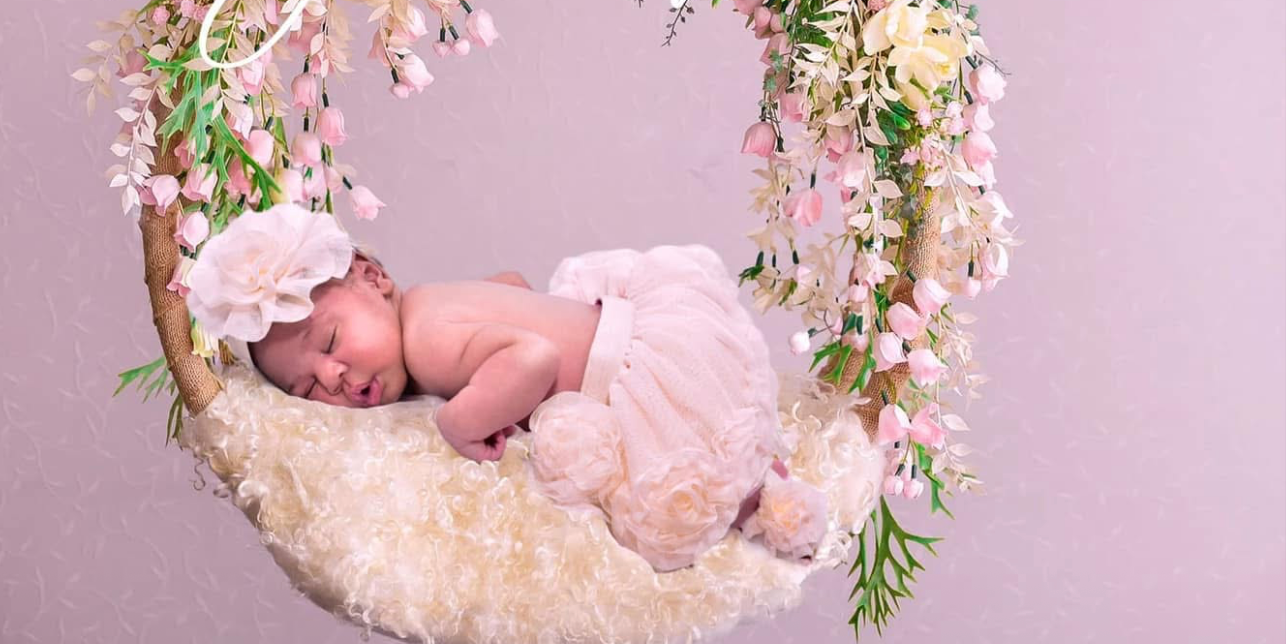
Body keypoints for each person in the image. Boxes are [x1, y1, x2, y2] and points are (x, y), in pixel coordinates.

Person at [188, 207, 829, 573]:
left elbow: (534, 358)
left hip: (633, 377)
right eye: (306, 387)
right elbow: (516, 286)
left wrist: (458, 422)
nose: (330, 377)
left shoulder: (428, 340)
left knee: (698, 484)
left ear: (373, 277)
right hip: (645, 333)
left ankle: (773, 510)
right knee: (725, 432)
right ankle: (770, 477)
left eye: (329, 345)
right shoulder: (431, 305)